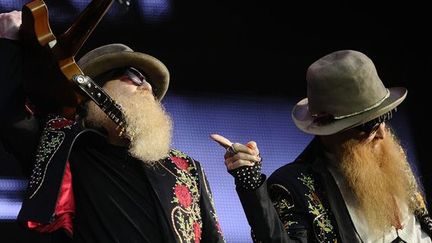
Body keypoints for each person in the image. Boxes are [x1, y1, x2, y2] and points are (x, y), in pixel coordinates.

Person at [1, 10, 224, 242]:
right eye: (135, 76)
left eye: (149, 83)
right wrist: (8, 41)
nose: (147, 87)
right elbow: (9, 118)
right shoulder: (67, 151)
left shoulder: (186, 167)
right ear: (95, 91)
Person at [212, 50, 432, 242]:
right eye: (368, 127)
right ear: (332, 132)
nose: (382, 134)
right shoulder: (294, 186)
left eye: (384, 118)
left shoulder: (391, 159)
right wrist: (251, 187)